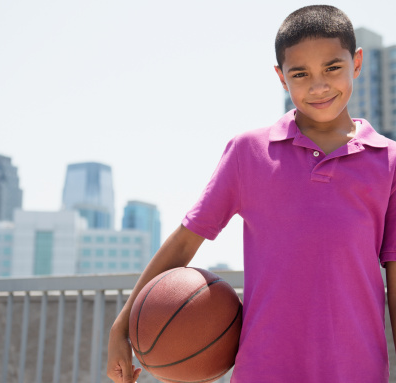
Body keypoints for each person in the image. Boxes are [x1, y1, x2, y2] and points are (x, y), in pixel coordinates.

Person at [107, 5, 396, 382]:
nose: (319, 85)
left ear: (356, 63)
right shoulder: (248, 153)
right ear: (281, 77)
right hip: (264, 369)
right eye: (300, 73)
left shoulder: (388, 162)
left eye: (332, 67)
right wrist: (120, 328)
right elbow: (183, 244)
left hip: (357, 371)